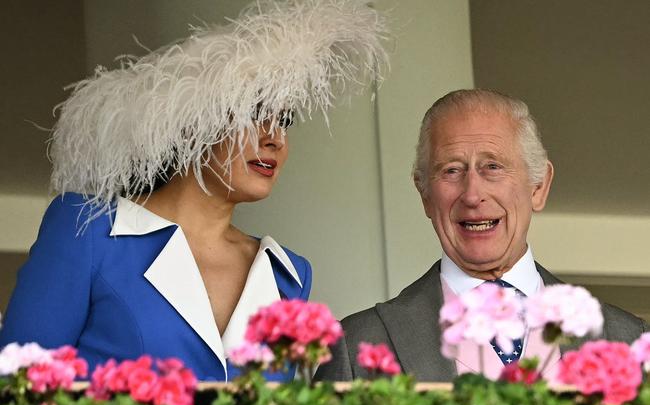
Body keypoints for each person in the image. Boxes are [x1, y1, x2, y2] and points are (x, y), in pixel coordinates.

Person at [0, 0, 389, 381]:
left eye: (284, 120)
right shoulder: (88, 229)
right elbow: (16, 394)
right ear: (191, 121)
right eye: (252, 113)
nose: (275, 139)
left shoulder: (288, 274)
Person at [315, 89, 648, 382]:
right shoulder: (358, 344)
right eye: (451, 170)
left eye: (492, 167)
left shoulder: (628, 339)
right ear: (425, 195)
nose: (472, 195)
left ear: (539, 186)